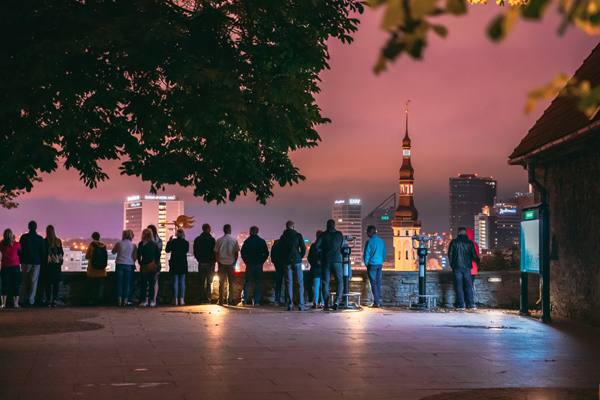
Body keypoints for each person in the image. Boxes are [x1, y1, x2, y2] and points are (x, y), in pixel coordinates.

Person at [314, 219, 344, 310]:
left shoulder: (323, 235)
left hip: (326, 260)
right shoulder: (339, 234)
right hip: (337, 261)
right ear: (334, 225)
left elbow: (316, 246)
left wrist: (321, 253)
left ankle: (326, 304)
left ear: (326, 225)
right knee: (340, 281)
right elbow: (342, 245)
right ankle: (337, 301)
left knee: (325, 282)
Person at [448, 226, 480, 311]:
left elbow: (450, 255)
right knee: (469, 286)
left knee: (459, 286)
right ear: (465, 233)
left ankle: (462, 305)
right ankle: (472, 304)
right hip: (467, 267)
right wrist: (478, 261)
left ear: (458, 233)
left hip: (457, 267)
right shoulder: (470, 243)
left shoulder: (453, 242)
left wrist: (452, 265)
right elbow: (474, 255)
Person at [279, 221, 308, 311]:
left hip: (287, 261)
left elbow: (280, 250)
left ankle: (290, 304)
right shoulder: (298, 235)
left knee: (289, 283)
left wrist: (284, 259)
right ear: (293, 226)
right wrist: (300, 256)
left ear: (286, 227)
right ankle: (301, 304)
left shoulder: (283, 237)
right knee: (300, 282)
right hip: (297, 261)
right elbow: (303, 248)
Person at [239, 226, 269, 307]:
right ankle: (256, 301)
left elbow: (242, 253)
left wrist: (246, 261)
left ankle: (244, 300)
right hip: (258, 264)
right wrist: (261, 261)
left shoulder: (247, 241)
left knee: (247, 282)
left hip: (250, 264)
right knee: (258, 282)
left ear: (251, 231)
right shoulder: (262, 241)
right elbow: (266, 253)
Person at [19, 220, 46, 307]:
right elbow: (43, 252)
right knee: (34, 281)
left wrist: (21, 260)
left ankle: (22, 299)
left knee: (25, 281)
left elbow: (20, 250)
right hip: (36, 262)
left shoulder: (23, 238)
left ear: (28, 227)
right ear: (36, 227)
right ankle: (31, 300)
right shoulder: (40, 239)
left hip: (25, 261)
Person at [214, 224, 239, 306]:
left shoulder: (219, 240)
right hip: (231, 263)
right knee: (231, 282)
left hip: (221, 263)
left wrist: (218, 262)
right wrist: (234, 262)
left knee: (221, 282)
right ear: (230, 230)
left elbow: (216, 252)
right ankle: (230, 299)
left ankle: (220, 299)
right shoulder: (234, 240)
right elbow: (236, 253)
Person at [363, 225, 387, 308]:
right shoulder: (381, 241)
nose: (366, 233)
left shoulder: (369, 242)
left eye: (367, 231)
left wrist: (366, 264)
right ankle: (377, 301)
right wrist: (380, 260)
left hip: (372, 265)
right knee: (378, 283)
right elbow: (384, 253)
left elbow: (366, 254)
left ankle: (376, 302)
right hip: (379, 264)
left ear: (370, 232)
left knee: (373, 283)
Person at [112, 229, 137, 306]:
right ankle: (125, 300)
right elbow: (135, 257)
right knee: (127, 283)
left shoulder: (119, 244)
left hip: (120, 264)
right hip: (129, 264)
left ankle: (119, 300)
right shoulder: (133, 245)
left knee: (119, 283)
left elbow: (113, 251)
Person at [41, 225, 64, 307]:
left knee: (48, 284)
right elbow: (62, 253)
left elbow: (43, 254)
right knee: (55, 284)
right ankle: (54, 300)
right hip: (56, 266)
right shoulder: (58, 241)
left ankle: (48, 300)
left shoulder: (45, 241)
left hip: (48, 266)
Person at [194, 224, 216, 304]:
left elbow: (195, 251)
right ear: (208, 229)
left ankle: (201, 298)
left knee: (201, 281)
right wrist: (214, 260)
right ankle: (208, 298)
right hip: (210, 263)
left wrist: (199, 259)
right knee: (209, 281)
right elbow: (215, 252)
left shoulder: (197, 239)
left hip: (201, 262)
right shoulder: (212, 240)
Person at [166, 228, 189, 306]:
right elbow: (186, 251)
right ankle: (182, 299)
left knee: (175, 281)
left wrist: (169, 241)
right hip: (183, 263)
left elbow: (167, 250)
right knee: (182, 281)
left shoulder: (174, 242)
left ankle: (175, 299)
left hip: (174, 263)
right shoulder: (186, 243)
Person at [138, 228, 160, 307]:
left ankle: (144, 301)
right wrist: (156, 262)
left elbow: (138, 255)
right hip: (152, 266)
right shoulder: (154, 244)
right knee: (151, 283)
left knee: (143, 284)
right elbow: (158, 254)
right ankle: (152, 301)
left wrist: (141, 263)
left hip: (144, 266)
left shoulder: (141, 244)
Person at [1, 229, 22, 309]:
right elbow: (20, 249)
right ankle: (16, 303)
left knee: (4, 285)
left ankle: (4, 304)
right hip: (15, 266)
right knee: (15, 285)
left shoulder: (1, 244)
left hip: (5, 267)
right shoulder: (16, 244)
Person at [85, 232, 108, 305]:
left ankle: (93, 301)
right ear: (99, 237)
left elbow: (87, 257)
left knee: (92, 287)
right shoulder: (103, 246)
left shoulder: (91, 245)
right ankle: (100, 301)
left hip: (92, 271)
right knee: (100, 287)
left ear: (92, 237)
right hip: (102, 271)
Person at [307, 230, 324, 309]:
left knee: (316, 286)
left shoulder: (314, 246)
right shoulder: (325, 245)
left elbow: (309, 257)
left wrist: (314, 263)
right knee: (323, 285)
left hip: (315, 268)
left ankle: (315, 302)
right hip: (324, 268)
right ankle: (323, 302)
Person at [148, 225, 163, 306]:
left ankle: (147, 299)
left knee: (148, 281)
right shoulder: (160, 241)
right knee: (155, 281)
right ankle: (154, 299)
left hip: (148, 263)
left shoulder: (147, 242)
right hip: (157, 263)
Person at [466, 229, 480, 306]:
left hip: (464, 268)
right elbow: (477, 256)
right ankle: (471, 302)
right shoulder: (475, 244)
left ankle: (464, 302)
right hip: (473, 269)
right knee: (470, 286)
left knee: (463, 285)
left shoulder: (463, 243)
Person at [270, 238, 286, 306]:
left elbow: (272, 256)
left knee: (278, 283)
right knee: (287, 283)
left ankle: (277, 300)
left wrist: (275, 263)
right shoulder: (286, 243)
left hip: (278, 266)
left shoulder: (275, 245)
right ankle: (286, 300)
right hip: (285, 265)